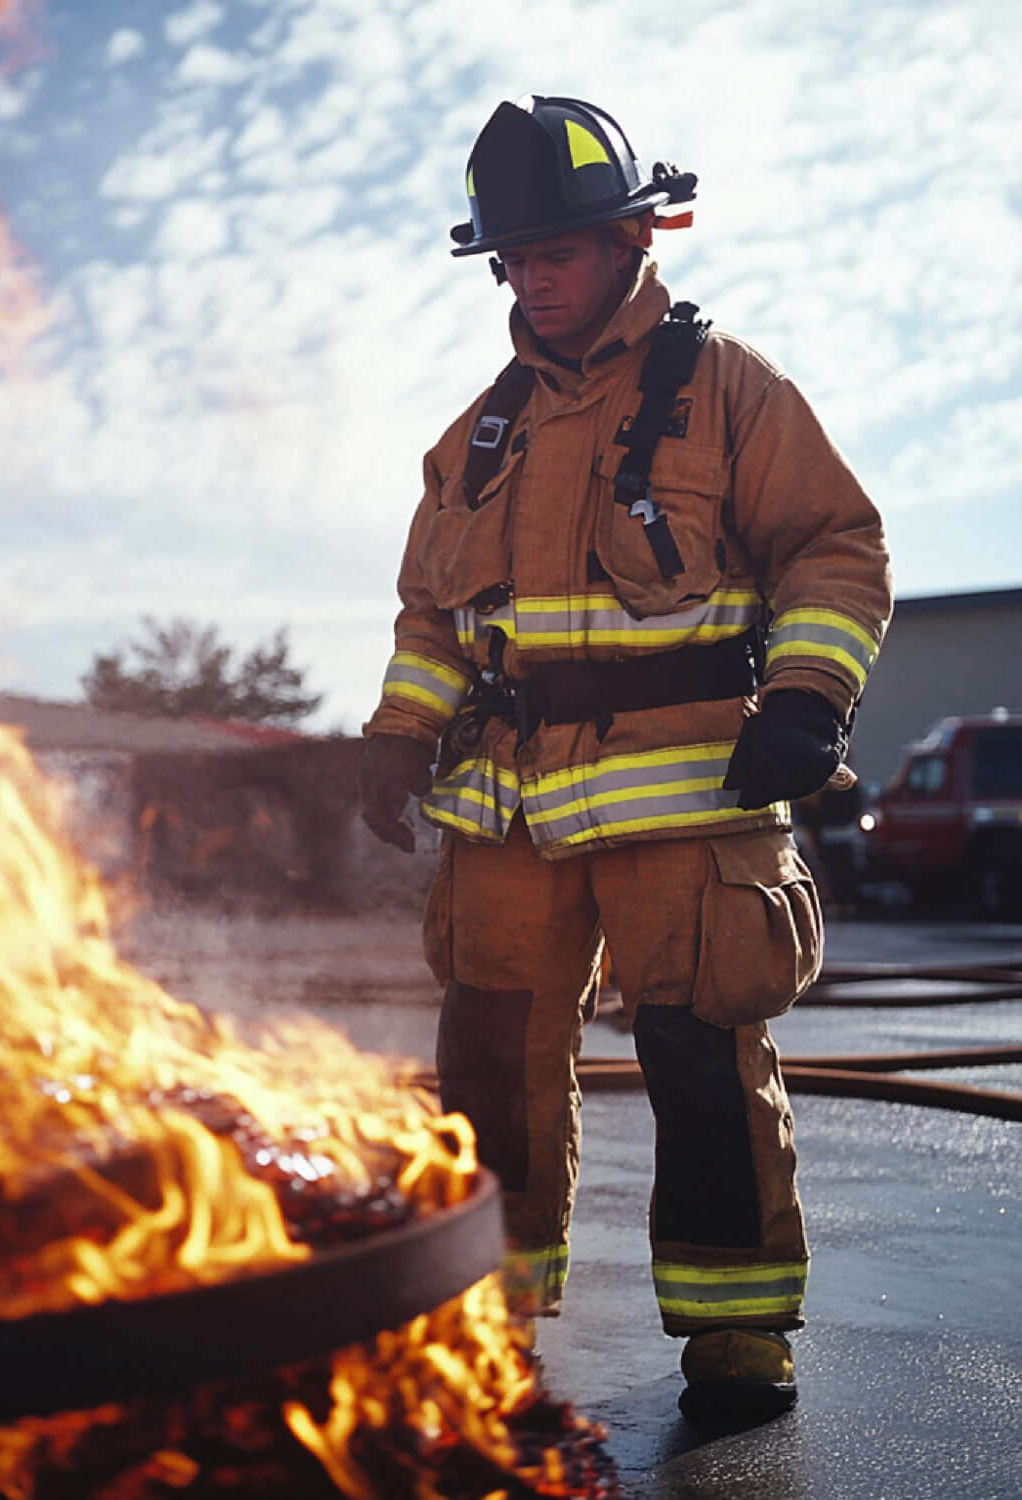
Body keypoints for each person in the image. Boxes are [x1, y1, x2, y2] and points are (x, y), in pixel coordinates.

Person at [358, 95, 892, 1420]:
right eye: (515, 260)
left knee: (701, 1055)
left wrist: (809, 693)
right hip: (507, 814)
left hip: (690, 795)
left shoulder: (731, 392)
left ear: (631, 240)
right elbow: (434, 618)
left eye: (558, 253)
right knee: (488, 1067)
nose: (534, 281)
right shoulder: (477, 438)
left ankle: (737, 1333)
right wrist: (400, 733)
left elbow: (834, 547)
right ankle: (488, 1321)